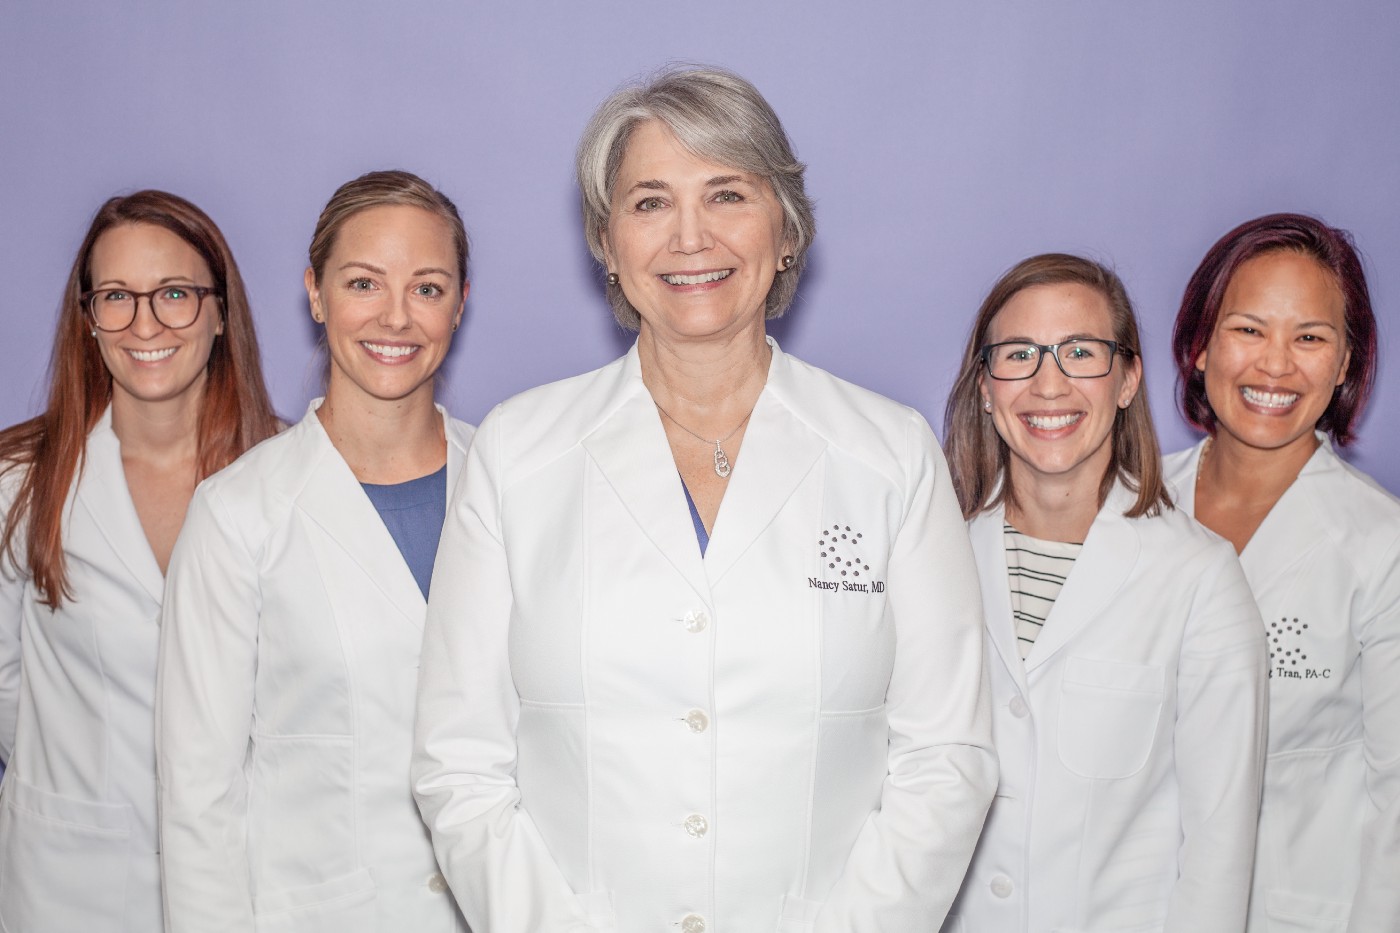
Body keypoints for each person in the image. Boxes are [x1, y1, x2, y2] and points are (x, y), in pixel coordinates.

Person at [412, 66, 995, 933]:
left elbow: (945, 757)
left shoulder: (889, 453)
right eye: (650, 202)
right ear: (606, 243)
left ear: (786, 229)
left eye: (727, 193)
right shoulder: (518, 452)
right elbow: (459, 761)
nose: (691, 236)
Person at [157, 170, 473, 932]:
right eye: (364, 282)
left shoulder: (513, 486)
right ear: (315, 292)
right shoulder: (238, 514)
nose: (396, 316)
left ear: (461, 303)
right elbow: (198, 798)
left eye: (427, 288)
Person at [940, 254, 1267, 932]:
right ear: (984, 386)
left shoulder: (1199, 579)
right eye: (1019, 353)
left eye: (1080, 352)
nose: (1048, 383)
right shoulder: (934, 559)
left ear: (1127, 379)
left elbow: (1218, 852)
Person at [0, 190, 279, 930]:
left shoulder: (290, 474)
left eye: (176, 294)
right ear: (87, 318)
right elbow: (4, 682)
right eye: (117, 296)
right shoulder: (19, 480)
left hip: (243, 878)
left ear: (221, 312)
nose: (145, 323)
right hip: (66, 881)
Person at [1164, 213, 1399, 932]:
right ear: (1200, 346)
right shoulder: (1132, 511)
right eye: (1249, 329)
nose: (1276, 364)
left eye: (1310, 337)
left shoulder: (1381, 544)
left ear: (1346, 361)